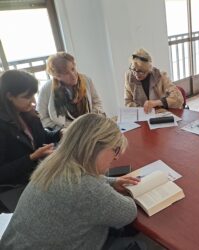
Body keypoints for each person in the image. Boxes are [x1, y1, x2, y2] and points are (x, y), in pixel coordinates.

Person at [0, 114, 143, 249]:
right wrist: (132, 192)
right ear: (95, 147)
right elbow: (128, 213)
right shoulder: (87, 189)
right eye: (115, 150)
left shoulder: (53, 164)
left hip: (13, 244)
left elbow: (83, 183)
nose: (116, 158)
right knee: (140, 243)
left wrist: (112, 182)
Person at [0, 70, 60, 213]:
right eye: (27, 97)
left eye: (33, 94)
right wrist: (32, 158)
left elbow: (40, 138)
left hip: (38, 180)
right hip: (15, 190)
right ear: (9, 96)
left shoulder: (27, 114)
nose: (33, 101)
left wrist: (59, 134)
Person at [38, 52, 104, 130]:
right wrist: (64, 129)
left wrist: (91, 119)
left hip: (90, 126)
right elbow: (42, 118)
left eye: (73, 69)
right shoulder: (47, 89)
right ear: (57, 76)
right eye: (66, 73)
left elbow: (97, 102)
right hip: (66, 132)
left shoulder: (86, 80)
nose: (73, 75)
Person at [124, 48, 184, 113]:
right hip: (142, 115)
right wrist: (142, 109)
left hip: (160, 114)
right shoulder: (129, 77)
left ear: (149, 69)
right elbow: (128, 102)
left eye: (141, 71)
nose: (136, 74)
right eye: (134, 69)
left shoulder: (160, 76)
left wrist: (156, 103)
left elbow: (179, 99)